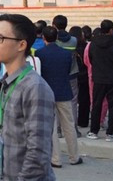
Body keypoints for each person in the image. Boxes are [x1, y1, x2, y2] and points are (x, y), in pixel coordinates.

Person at [0, 13, 55, 181]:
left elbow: (38, 153)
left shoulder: (35, 88)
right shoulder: (9, 83)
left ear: (21, 45)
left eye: (0, 38)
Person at [37, 26, 82, 168]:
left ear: (44, 38)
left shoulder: (39, 53)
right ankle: (74, 156)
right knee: (69, 125)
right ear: (56, 37)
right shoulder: (66, 54)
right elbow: (68, 71)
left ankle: (55, 158)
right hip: (64, 91)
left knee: (51, 127)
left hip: (47, 92)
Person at [86, 20, 113, 141]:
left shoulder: (93, 44)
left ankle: (94, 130)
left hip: (98, 77)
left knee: (96, 104)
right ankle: (110, 133)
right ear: (111, 30)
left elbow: (90, 59)